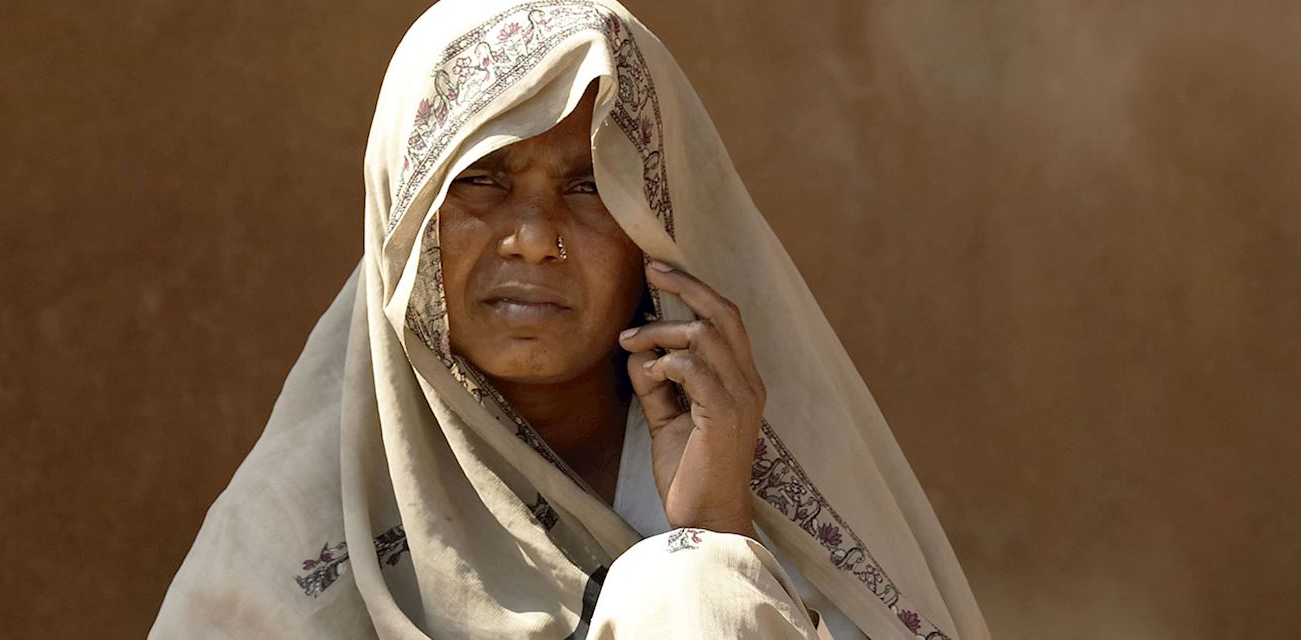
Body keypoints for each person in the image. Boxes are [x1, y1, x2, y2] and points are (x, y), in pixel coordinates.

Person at [151, 1, 990, 638]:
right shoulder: (294, 533)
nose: (534, 239)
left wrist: (717, 531)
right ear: (405, 223)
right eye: (480, 179)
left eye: (588, 186)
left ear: (653, 230)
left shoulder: (752, 458)